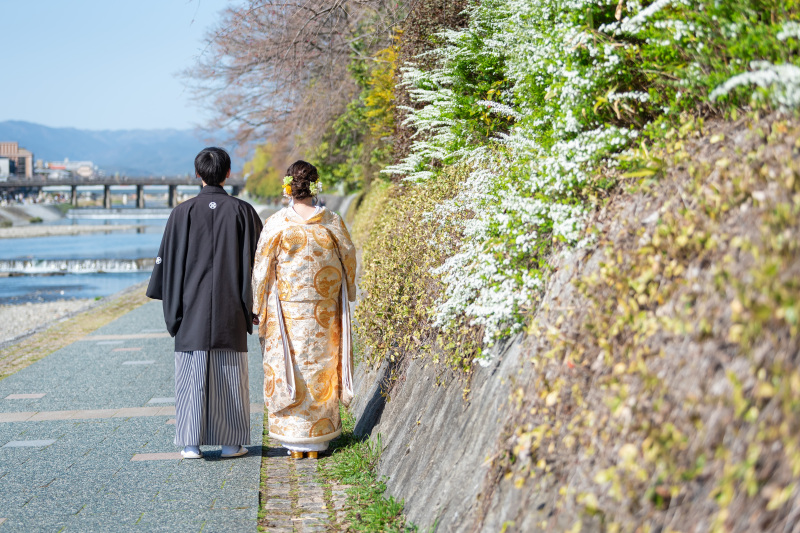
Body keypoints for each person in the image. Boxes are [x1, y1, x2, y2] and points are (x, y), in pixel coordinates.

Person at [146, 147, 263, 459]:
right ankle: (229, 444)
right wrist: (256, 304)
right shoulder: (243, 211)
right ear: (227, 174)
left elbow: (166, 265)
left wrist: (173, 307)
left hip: (190, 311)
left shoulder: (180, 213)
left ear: (197, 174)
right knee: (229, 376)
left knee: (191, 376)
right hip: (231, 309)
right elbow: (261, 264)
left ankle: (190, 444)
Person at [252, 160, 356, 459]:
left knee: (290, 367)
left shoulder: (277, 224)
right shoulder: (331, 221)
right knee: (322, 366)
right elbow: (348, 256)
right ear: (315, 186)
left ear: (288, 188)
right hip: (324, 311)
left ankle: (295, 444)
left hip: (288, 311)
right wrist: (349, 289)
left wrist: (258, 303)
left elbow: (261, 268)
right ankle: (318, 441)